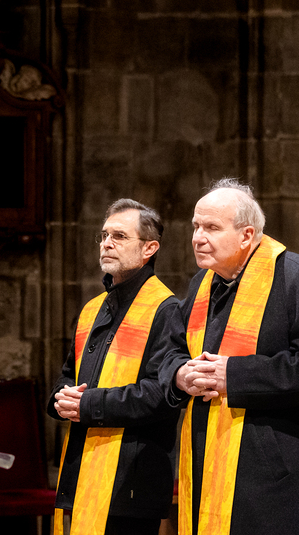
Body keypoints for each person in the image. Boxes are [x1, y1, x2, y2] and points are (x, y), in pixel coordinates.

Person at [155, 179, 299, 535]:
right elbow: (170, 352)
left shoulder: (296, 279)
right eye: (196, 226)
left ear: (246, 235)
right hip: (208, 465)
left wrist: (235, 376)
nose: (197, 238)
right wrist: (180, 375)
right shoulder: (201, 284)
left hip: (274, 479)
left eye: (212, 228)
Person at [47, 199, 180, 535]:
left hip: (131, 480)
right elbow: (69, 375)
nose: (106, 243)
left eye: (119, 236)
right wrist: (61, 399)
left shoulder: (166, 309)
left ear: (149, 248)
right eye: (104, 235)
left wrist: (87, 404)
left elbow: (162, 394)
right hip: (82, 468)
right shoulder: (93, 308)